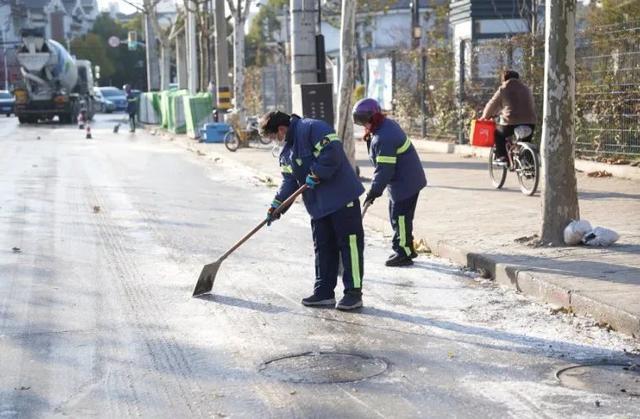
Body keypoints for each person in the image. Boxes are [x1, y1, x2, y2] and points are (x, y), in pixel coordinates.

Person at [259, 110, 366, 310]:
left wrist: (317, 173)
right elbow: (289, 182)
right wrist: (277, 206)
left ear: (281, 129)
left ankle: (353, 293)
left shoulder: (311, 128)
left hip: (342, 199)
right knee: (323, 248)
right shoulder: (286, 153)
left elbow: (332, 151)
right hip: (318, 206)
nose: (275, 141)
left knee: (349, 246)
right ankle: (324, 292)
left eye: (274, 136)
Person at [353, 98, 427, 267]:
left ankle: (404, 253)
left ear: (373, 117)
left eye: (364, 121)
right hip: (403, 181)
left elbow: (384, 169)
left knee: (400, 218)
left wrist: (374, 191)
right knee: (397, 215)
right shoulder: (384, 127)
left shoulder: (384, 137)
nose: (363, 125)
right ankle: (402, 247)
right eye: (359, 121)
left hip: (405, 183)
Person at [480, 70, 537, 162]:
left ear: (504, 79)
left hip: (511, 122)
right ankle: (529, 164)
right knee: (526, 142)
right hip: (530, 121)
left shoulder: (503, 89)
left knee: (498, 134)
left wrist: (485, 116)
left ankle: (502, 157)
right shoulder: (526, 88)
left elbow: (492, 104)